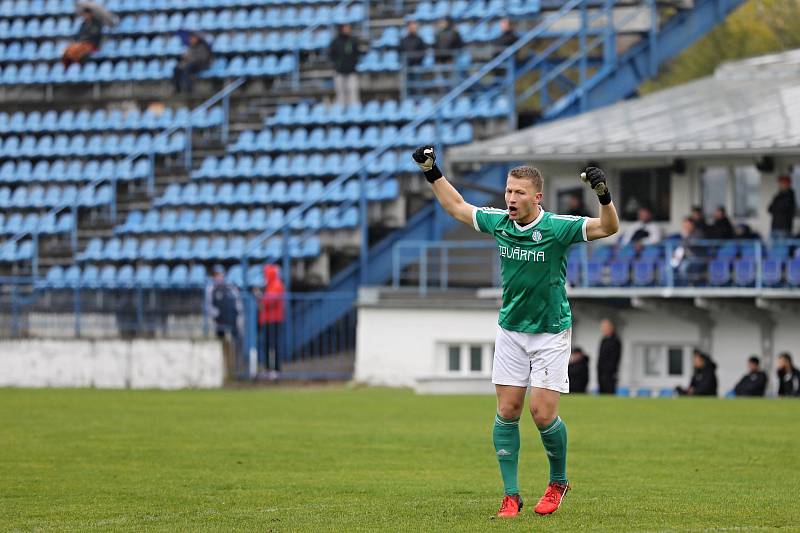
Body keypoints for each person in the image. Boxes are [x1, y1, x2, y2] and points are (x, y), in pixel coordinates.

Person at [411, 146, 619, 517]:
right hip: (511, 330)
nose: (510, 198)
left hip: (551, 331)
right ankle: (511, 494)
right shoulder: (499, 223)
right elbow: (457, 207)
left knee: (541, 414)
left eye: (519, 192)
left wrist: (603, 196)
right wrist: (432, 171)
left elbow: (608, 227)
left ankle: (558, 482)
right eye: (508, 191)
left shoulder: (557, 228)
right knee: (507, 410)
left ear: (537, 197)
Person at [205, 265, 243, 379]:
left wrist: (239, 318)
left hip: (232, 321)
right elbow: (208, 306)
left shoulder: (231, 288)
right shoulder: (211, 289)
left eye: (220, 275)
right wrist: (216, 315)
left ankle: (236, 368)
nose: (219, 277)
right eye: (216, 275)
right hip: (219, 322)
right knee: (221, 343)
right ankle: (222, 369)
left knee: (235, 343)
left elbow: (238, 304)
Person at [259, 264, 286, 377]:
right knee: (266, 345)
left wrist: (261, 299)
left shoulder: (276, 285)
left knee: (274, 345)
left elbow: (270, 301)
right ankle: (268, 368)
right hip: (267, 319)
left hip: (274, 319)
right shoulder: (270, 285)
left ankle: (276, 369)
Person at [328, 24, 363, 107]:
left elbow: (357, 53)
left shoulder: (353, 41)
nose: (347, 30)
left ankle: (354, 109)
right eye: (346, 28)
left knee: (353, 90)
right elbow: (331, 55)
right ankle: (341, 109)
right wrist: (337, 64)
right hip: (339, 71)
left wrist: (353, 63)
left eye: (348, 28)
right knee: (340, 92)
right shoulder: (335, 42)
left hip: (351, 70)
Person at [597, 319, 621, 394]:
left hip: (610, 373)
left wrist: (609, 370)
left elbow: (615, 358)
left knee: (609, 391)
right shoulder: (603, 340)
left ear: (611, 327)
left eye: (605, 327)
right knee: (602, 391)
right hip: (601, 372)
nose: (602, 329)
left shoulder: (615, 341)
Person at [767, 175, 796, 239]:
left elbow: (783, 208)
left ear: (788, 184)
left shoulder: (790, 195)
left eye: (782, 183)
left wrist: (776, 207)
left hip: (784, 228)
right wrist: (777, 207)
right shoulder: (778, 195)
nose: (780, 184)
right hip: (774, 227)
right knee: (773, 248)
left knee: (782, 248)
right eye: (779, 183)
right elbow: (769, 209)